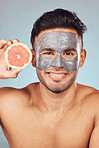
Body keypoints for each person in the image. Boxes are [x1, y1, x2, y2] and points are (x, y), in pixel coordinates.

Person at [0, 8, 99, 148]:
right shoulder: (6, 104)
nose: (58, 64)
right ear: (33, 59)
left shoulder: (96, 106)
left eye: (68, 53)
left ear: (81, 58)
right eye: (48, 53)